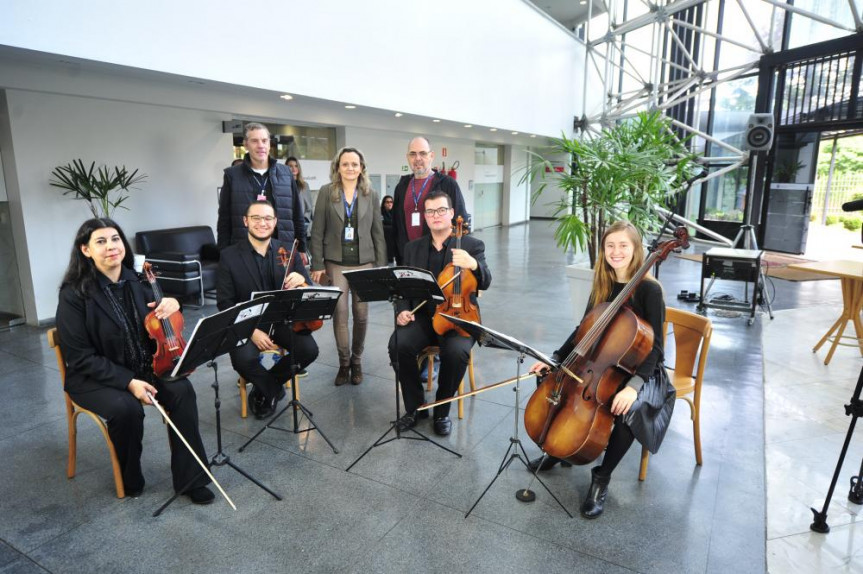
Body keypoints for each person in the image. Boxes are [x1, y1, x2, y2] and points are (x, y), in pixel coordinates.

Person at [55, 218, 214, 504]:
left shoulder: (137, 281)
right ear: (86, 250)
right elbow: (79, 358)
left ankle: (191, 478)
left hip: (144, 366)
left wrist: (172, 303)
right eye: (100, 242)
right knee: (126, 409)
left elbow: (160, 321)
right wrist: (128, 382)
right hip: (94, 377)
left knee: (181, 391)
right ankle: (130, 477)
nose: (111, 247)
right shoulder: (74, 295)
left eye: (115, 239)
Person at [527, 221, 670, 519]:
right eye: (610, 246)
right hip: (602, 361)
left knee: (630, 410)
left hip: (642, 368)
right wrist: (554, 359)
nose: (616, 252)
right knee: (551, 380)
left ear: (636, 250)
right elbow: (584, 330)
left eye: (623, 246)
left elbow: (656, 349)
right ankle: (557, 448)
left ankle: (601, 477)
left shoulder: (649, 290)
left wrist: (633, 386)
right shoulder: (603, 284)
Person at [387, 190, 492, 436]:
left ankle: (442, 411)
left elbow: (485, 281)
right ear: (425, 216)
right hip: (424, 317)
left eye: (441, 210)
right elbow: (402, 289)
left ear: (452, 213)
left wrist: (474, 265)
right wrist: (402, 310)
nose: (436, 216)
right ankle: (415, 407)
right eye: (431, 211)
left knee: (456, 352)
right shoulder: (412, 248)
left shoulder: (471, 245)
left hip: (458, 317)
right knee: (398, 344)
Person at [216, 201, 319, 419]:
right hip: (247, 325)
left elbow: (308, 291)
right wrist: (251, 331)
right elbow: (225, 303)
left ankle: (265, 386)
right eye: (256, 218)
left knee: (309, 350)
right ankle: (272, 391)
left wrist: (302, 281)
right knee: (243, 360)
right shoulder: (229, 256)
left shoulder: (288, 252)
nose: (262, 223)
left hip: (282, 321)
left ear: (275, 222)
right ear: (246, 221)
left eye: (268, 218)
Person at [310, 147, 386, 386]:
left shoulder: (370, 194)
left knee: (362, 316)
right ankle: (344, 363)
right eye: (345, 164)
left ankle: (357, 360)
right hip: (336, 264)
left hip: (364, 262)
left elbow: (378, 233)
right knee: (340, 315)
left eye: (355, 164)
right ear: (338, 167)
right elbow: (317, 231)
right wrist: (318, 263)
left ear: (361, 167)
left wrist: (381, 268)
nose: (350, 168)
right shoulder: (326, 192)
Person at [217, 123, 306, 251]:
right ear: (246, 144)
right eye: (254, 141)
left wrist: (302, 248)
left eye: (264, 140)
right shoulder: (232, 175)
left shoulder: (286, 173)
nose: (260, 145)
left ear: (269, 144)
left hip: (281, 250)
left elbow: (297, 215)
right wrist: (223, 252)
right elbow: (224, 219)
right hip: (244, 251)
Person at [391, 136, 469, 264]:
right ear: (407, 157)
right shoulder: (401, 187)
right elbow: (396, 226)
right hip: (409, 257)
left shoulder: (447, 184)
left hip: (439, 258)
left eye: (422, 153)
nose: (417, 158)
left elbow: (461, 220)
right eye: (413, 154)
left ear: (431, 155)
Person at [286, 156, 313, 245]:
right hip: (287, 227)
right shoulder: (282, 185)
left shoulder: (304, 186)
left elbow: (309, 208)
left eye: (296, 166)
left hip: (302, 227)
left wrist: (304, 224)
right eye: (290, 166)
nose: (294, 168)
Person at [380, 194, 396, 264]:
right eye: (387, 202)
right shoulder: (380, 213)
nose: (389, 204)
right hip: (384, 242)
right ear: (384, 203)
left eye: (391, 202)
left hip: (393, 243)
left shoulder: (395, 213)